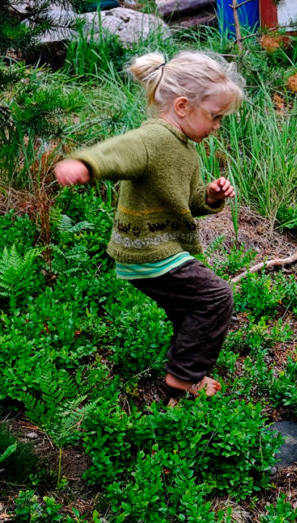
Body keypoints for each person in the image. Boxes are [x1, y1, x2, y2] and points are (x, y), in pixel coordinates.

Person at [55, 51, 244, 405]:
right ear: (184, 106)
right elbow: (122, 151)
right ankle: (183, 377)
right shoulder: (155, 138)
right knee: (216, 296)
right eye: (215, 116)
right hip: (149, 250)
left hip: (159, 250)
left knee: (190, 309)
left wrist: (212, 197)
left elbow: (190, 203)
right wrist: (87, 163)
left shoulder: (185, 150)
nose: (218, 125)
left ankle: (186, 372)